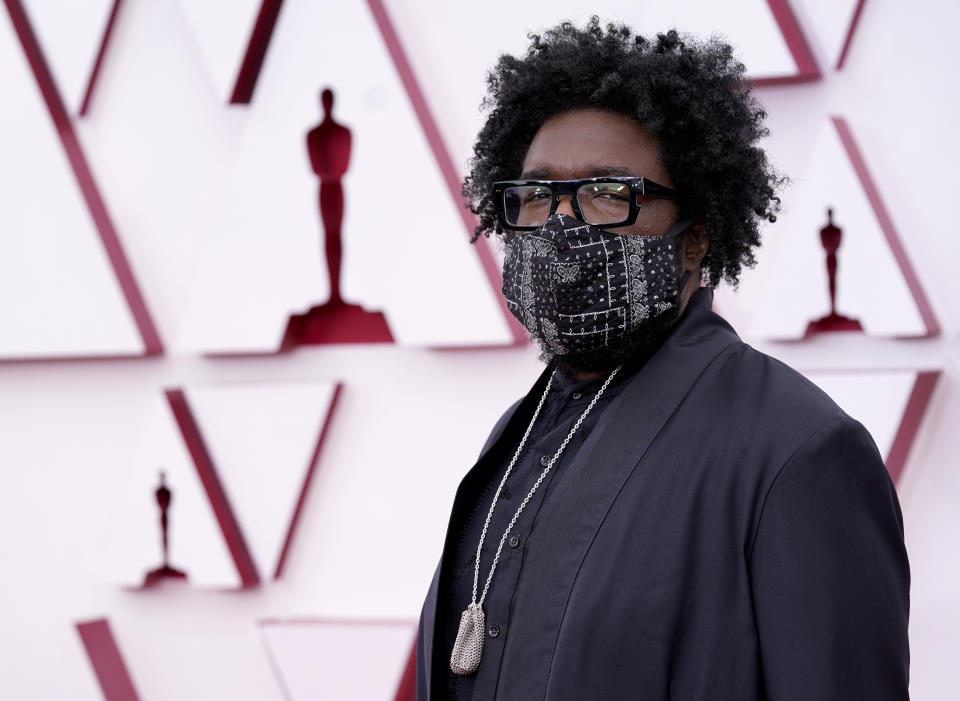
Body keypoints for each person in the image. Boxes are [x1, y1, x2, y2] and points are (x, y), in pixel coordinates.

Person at [415, 17, 909, 701]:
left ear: (696, 237)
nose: (562, 227)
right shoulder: (515, 437)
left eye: (609, 193)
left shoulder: (798, 452)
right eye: (535, 195)